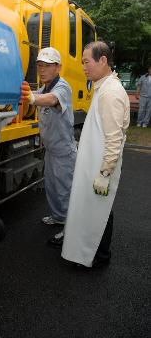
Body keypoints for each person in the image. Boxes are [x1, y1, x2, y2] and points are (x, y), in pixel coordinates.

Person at [51, 41, 130, 269]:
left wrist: (105, 173)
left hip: (100, 167)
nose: (83, 67)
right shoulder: (104, 87)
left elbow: (114, 138)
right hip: (94, 164)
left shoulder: (111, 92)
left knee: (100, 211)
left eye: (86, 61)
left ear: (102, 60)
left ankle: (98, 257)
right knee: (95, 209)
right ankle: (90, 253)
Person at [21, 47, 76, 226]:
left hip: (63, 152)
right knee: (52, 187)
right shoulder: (45, 87)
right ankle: (58, 217)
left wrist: (31, 98)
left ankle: (69, 227)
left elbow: (51, 99)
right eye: (39, 65)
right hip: (51, 150)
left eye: (47, 65)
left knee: (64, 189)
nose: (42, 70)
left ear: (58, 67)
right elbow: (37, 95)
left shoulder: (62, 87)